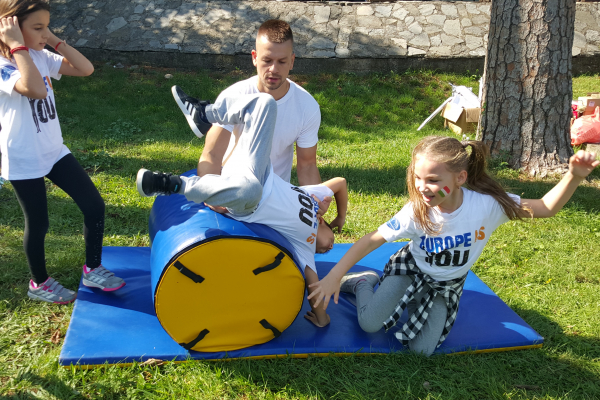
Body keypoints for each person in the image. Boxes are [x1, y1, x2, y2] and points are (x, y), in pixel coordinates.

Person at [307, 136, 599, 356]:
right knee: (370, 324)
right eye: (419, 178)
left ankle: (418, 300)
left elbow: (546, 207)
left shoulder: (487, 206)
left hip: (446, 285)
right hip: (411, 270)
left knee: (422, 351)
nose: (423, 187)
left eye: (433, 180)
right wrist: (335, 275)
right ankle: (363, 284)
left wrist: (573, 176)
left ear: (460, 178)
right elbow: (370, 240)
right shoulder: (417, 210)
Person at [137, 90, 348, 328]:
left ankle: (173, 184)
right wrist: (340, 216)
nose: (329, 247)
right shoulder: (313, 198)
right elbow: (340, 183)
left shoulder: (305, 249)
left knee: (250, 190)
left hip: (247, 201)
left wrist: (323, 319)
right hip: (260, 170)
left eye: (326, 252)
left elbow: (314, 288)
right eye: (332, 242)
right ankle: (204, 113)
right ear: (322, 222)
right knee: (265, 102)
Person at [0, 0, 125, 304]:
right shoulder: (4, 65)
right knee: (39, 223)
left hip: (54, 150)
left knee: (94, 205)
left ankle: (92, 269)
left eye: (47, 26)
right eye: (38, 28)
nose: (45, 34)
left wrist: (53, 41)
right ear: (12, 27)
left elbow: (85, 68)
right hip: (23, 156)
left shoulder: (41, 55)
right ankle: (39, 283)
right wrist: (18, 47)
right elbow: (35, 89)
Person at [172, 20, 330, 226]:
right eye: (267, 60)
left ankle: (202, 115)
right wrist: (213, 197)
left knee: (322, 241)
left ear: (292, 61)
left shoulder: (306, 105)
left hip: (275, 198)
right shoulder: (234, 96)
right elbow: (212, 154)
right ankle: (203, 116)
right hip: (234, 193)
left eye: (282, 62)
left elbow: (307, 165)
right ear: (254, 58)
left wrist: (314, 199)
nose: (273, 69)